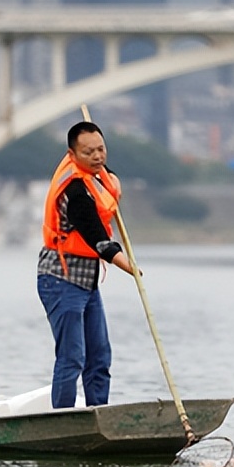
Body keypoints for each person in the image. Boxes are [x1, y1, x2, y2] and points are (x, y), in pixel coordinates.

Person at [37, 121, 137, 409]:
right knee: (72, 357)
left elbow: (110, 181)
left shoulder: (97, 176)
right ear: (72, 154)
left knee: (100, 357)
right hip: (60, 280)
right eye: (88, 152)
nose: (97, 156)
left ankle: (98, 413)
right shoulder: (75, 190)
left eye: (101, 149)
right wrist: (127, 265)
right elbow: (97, 236)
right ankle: (63, 420)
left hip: (87, 283)